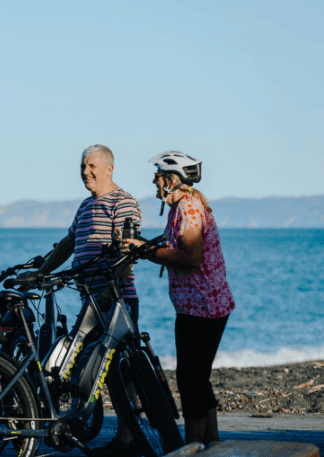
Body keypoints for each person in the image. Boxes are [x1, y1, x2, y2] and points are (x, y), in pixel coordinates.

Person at [22, 144, 142, 456]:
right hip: (90, 301)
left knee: (120, 373)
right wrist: (41, 273)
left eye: (91, 167)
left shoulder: (124, 202)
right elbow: (68, 242)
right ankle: (81, 422)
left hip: (117, 301)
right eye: (82, 167)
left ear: (108, 169)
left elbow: (128, 252)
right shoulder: (86, 206)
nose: (85, 173)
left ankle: (127, 441)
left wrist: (109, 288)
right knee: (82, 361)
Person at [123, 150, 235, 446]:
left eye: (157, 176)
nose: (153, 181)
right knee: (198, 380)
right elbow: (177, 251)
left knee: (190, 384)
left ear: (172, 180)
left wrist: (145, 251)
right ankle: (213, 446)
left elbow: (191, 256)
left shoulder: (189, 207)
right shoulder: (180, 208)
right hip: (199, 306)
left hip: (203, 307)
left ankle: (192, 449)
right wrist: (146, 247)